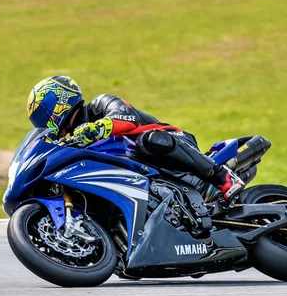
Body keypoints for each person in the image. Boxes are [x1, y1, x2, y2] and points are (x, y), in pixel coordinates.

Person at [26, 76, 245, 203]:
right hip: (146, 176)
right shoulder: (72, 141)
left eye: (42, 115)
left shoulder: (100, 105)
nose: (43, 124)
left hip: (171, 145)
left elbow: (127, 119)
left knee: (149, 141)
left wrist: (97, 128)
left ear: (58, 102)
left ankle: (222, 177)